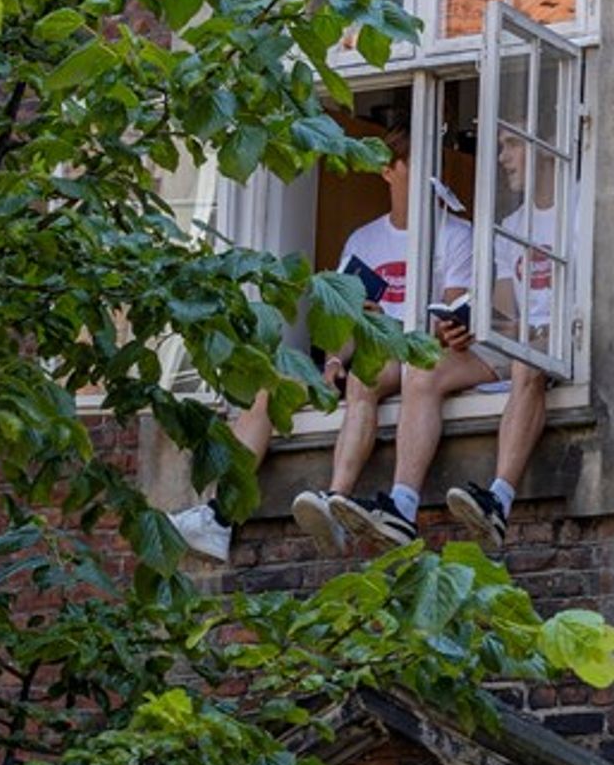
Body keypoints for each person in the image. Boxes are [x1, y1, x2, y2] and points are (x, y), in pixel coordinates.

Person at [169, 117, 473, 566]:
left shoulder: (455, 236)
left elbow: (451, 317)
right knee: (269, 385)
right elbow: (341, 324)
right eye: (418, 163)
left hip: (411, 357)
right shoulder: (363, 240)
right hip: (365, 353)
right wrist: (332, 361)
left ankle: (336, 499)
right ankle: (220, 515)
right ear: (389, 170)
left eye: (437, 164)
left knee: (363, 379)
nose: (432, 175)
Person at [361, 136, 563, 555]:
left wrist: (535, 335)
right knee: (424, 367)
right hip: (523, 340)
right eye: (502, 144)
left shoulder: (581, 209)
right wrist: (471, 328)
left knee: (529, 360)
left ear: (545, 145)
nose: (502, 157)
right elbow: (508, 314)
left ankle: (497, 502)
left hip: (564, 345)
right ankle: (402, 507)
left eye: (512, 144)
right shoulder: (512, 227)